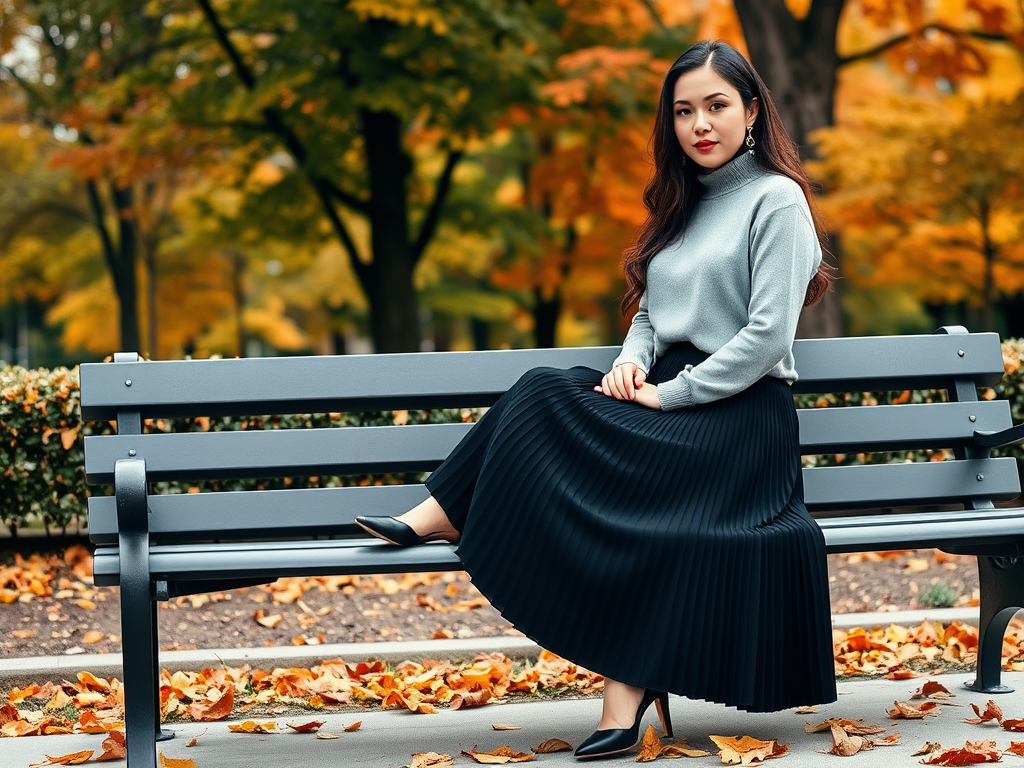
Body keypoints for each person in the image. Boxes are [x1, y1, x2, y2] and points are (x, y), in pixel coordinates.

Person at [356, 39, 838, 759]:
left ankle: (615, 686)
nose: (700, 125)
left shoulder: (778, 200)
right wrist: (629, 369)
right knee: (547, 387)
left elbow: (768, 337)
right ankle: (445, 514)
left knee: (663, 518)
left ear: (751, 110)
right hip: (668, 400)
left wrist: (670, 394)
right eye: (683, 111)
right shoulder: (681, 205)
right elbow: (651, 314)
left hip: (736, 421)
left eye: (716, 106)